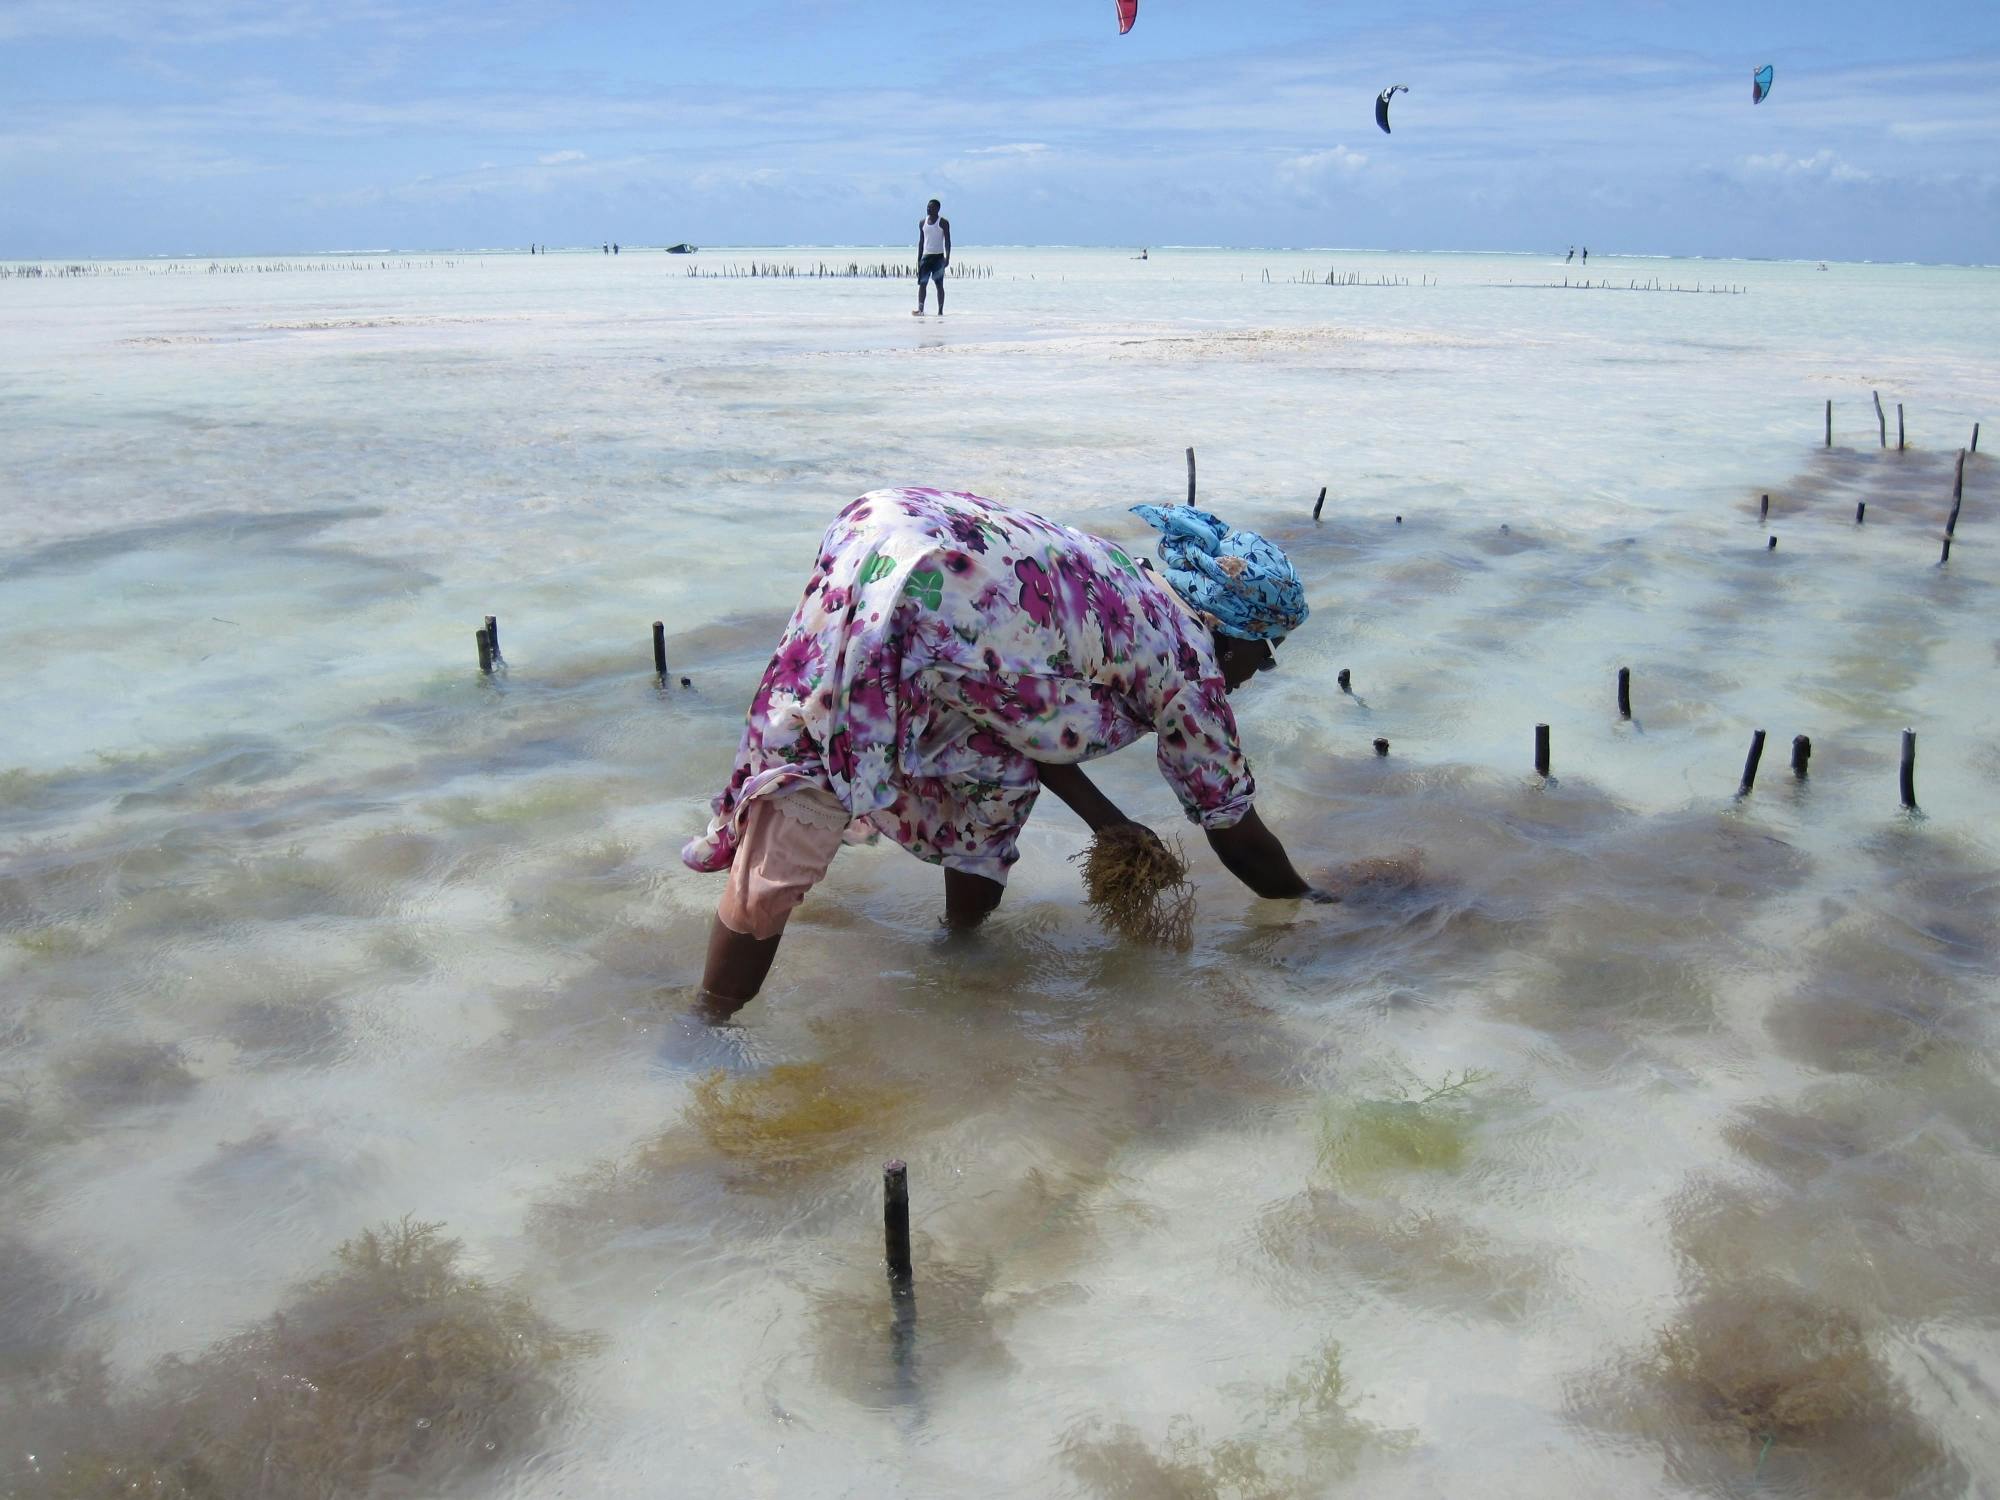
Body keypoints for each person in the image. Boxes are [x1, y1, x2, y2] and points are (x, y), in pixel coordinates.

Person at [685, 488, 1334, 1006]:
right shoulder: (1188, 661)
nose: (1259, 671)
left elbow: (1022, 712)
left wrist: (1106, 821)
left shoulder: (1127, 583)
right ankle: (712, 1024)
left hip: (883, 523)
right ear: (1235, 630)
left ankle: (959, 954)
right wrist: (1317, 906)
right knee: (809, 799)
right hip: (929, 589)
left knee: (968, 776)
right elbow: (1235, 829)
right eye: (1265, 652)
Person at [915, 199, 951, 316]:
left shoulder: (943, 222)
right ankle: (920, 309)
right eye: (927, 207)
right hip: (926, 256)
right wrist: (919, 259)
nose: (928, 209)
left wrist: (947, 257)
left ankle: (940, 311)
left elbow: (948, 241)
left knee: (939, 285)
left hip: (938, 257)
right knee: (922, 284)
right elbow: (921, 242)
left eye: (931, 207)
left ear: (937, 209)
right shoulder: (922, 223)